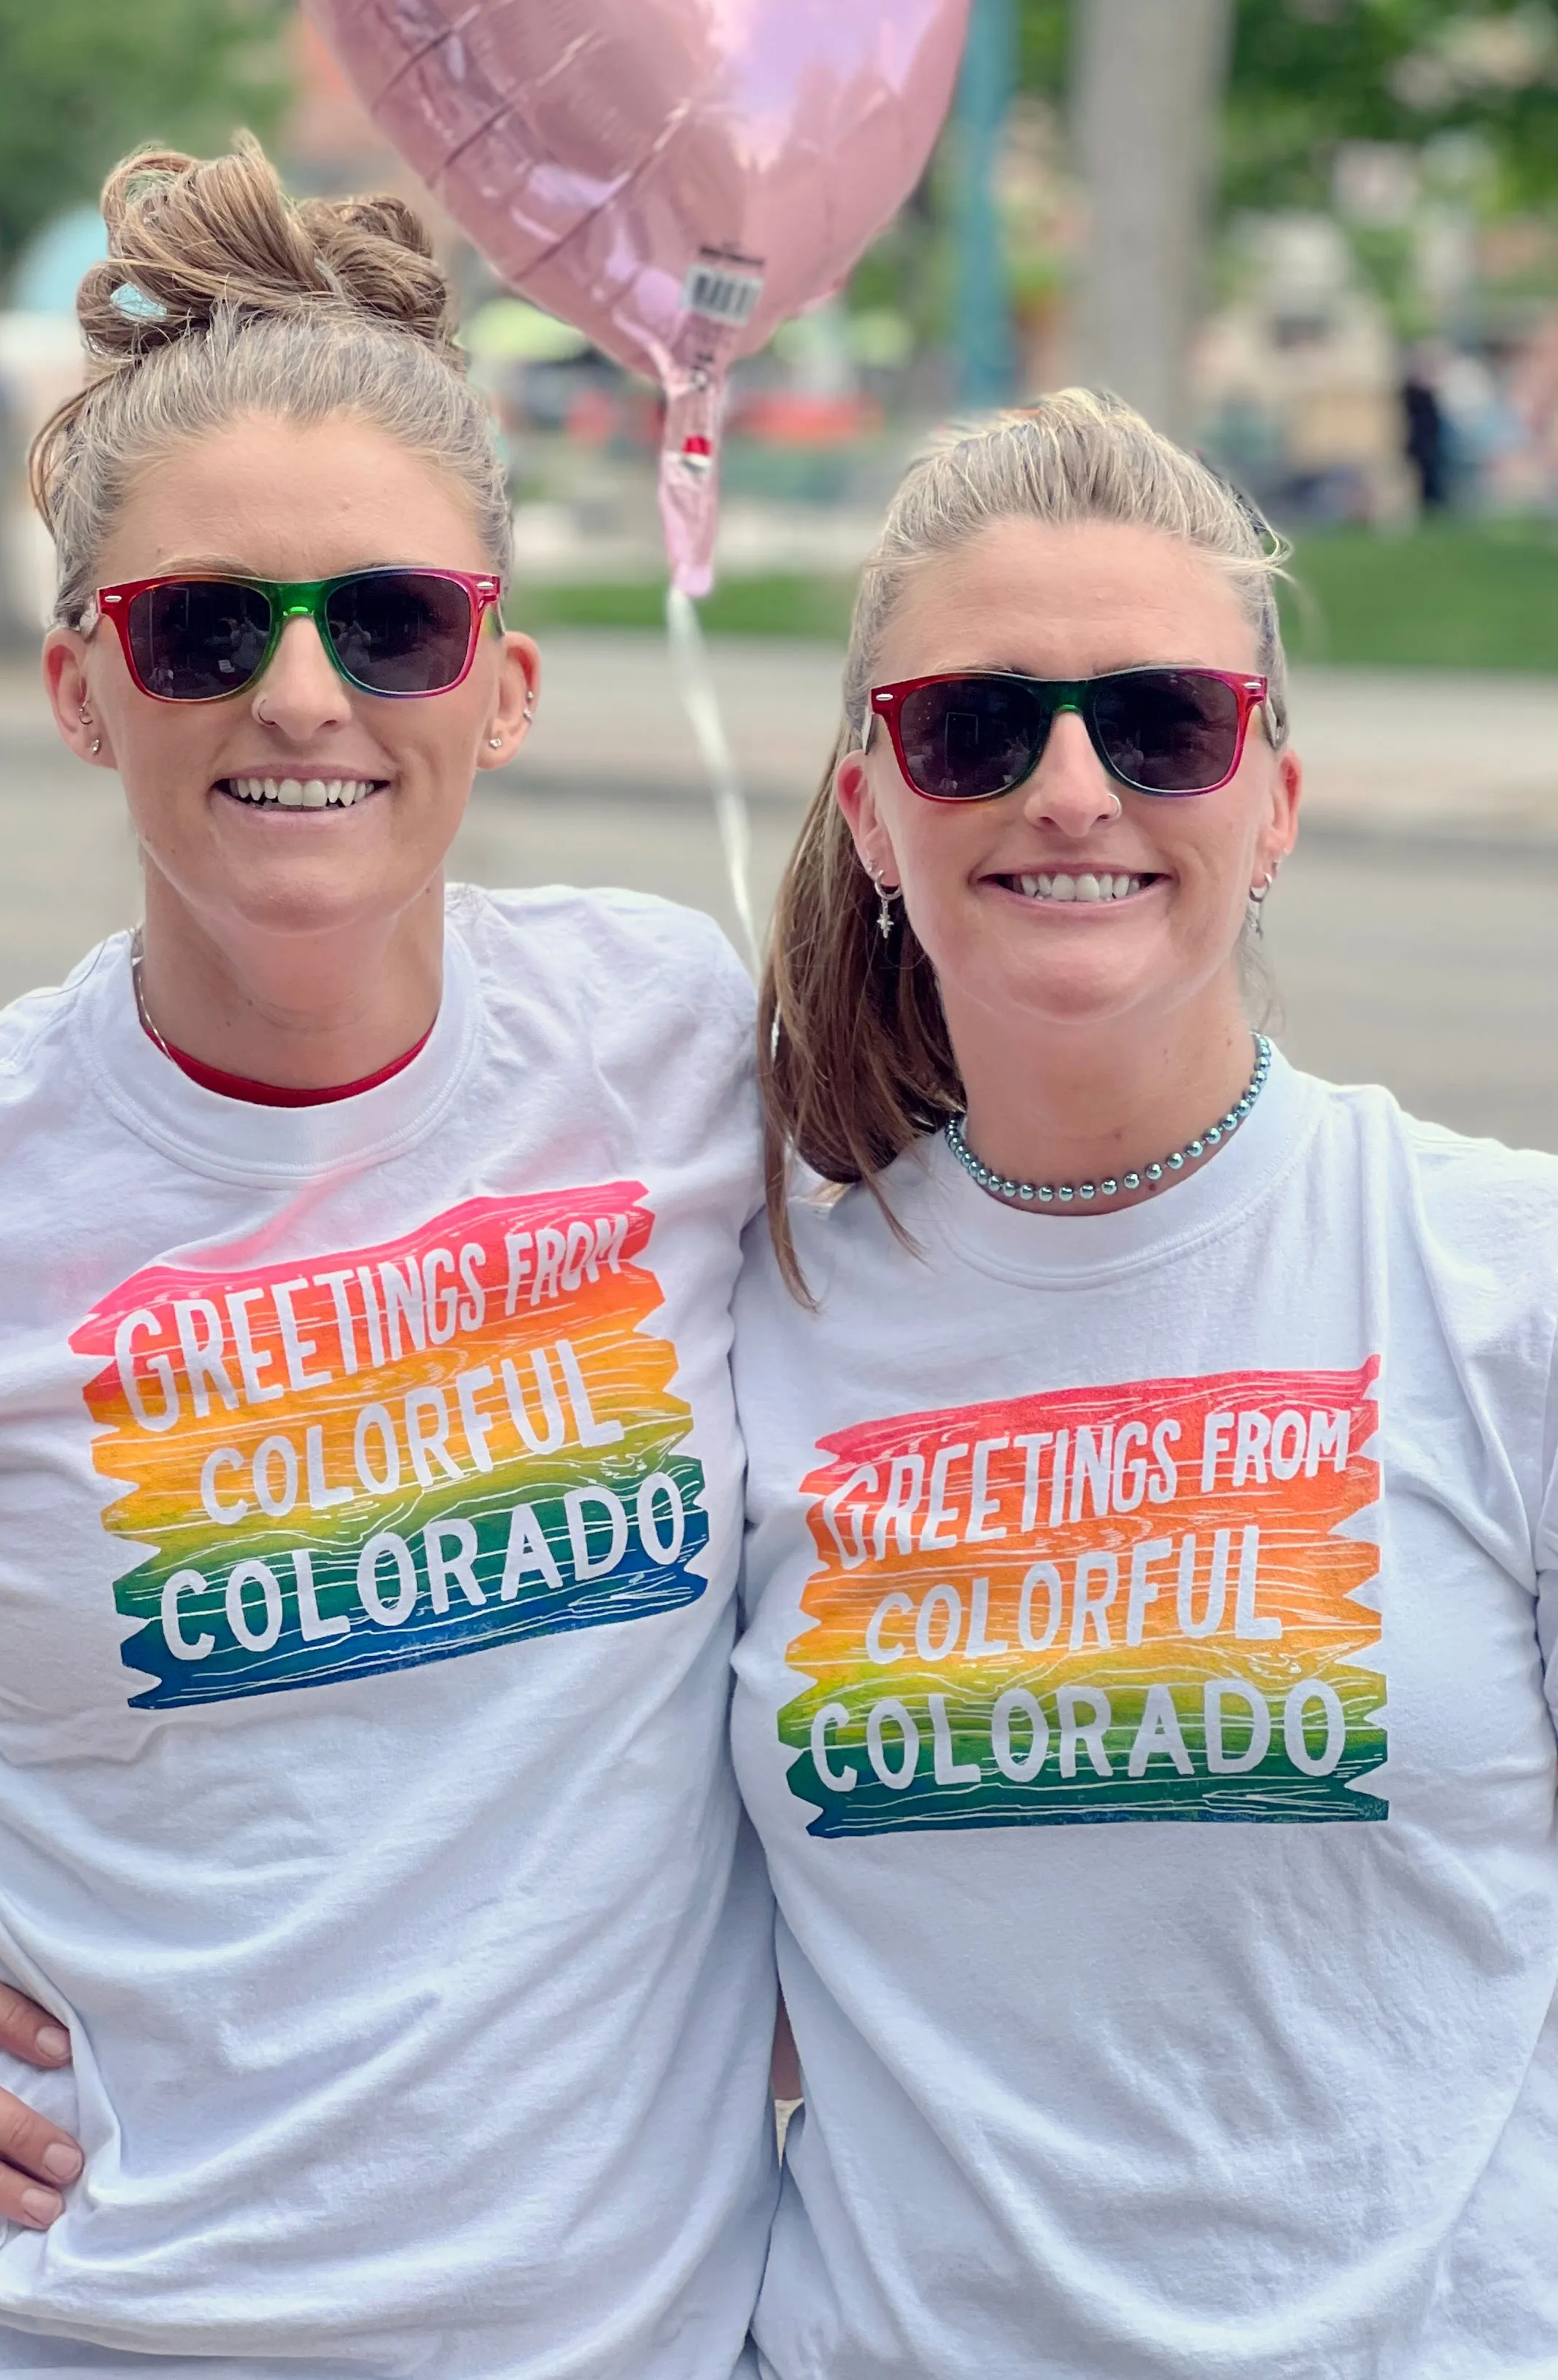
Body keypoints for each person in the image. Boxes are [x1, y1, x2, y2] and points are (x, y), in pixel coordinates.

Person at [0, 139, 778, 2379]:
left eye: (390, 623)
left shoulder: (685, 1046)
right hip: (30, 2340)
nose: (304, 699)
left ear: (501, 685)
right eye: (206, 626)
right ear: (83, 690)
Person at [732, 388, 1558, 2378]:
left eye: (1164, 722)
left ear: (1271, 794)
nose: (1075, 789)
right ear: (873, 807)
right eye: (977, 729)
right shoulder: (749, 1323)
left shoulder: (1500, 1285)